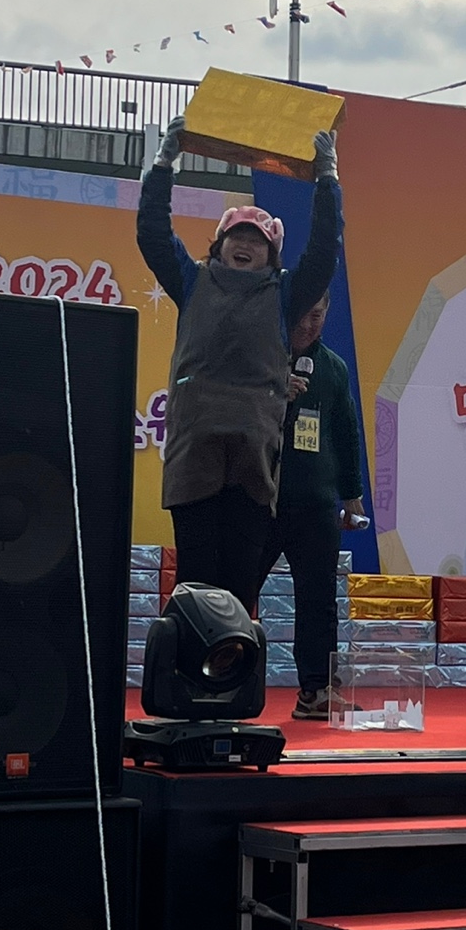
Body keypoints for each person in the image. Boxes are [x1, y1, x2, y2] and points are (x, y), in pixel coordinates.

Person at [136, 117, 341, 611]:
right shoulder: (191, 280)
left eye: (258, 240)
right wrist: (164, 165)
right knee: (193, 587)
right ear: (219, 245)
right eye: (237, 236)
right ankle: (189, 662)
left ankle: (233, 662)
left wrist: (327, 179)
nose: (246, 244)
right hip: (194, 456)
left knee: (238, 591)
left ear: (272, 255)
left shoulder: (285, 294)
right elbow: (154, 235)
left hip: (252, 460)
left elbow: (322, 254)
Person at [259, 292, 365, 720]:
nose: (308, 325)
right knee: (234, 592)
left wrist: (351, 495)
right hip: (259, 499)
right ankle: (219, 684)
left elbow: (346, 435)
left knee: (319, 601)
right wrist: (273, 394)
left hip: (316, 504)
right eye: (302, 315)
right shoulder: (259, 358)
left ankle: (316, 691)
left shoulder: (333, 368)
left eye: (317, 316)